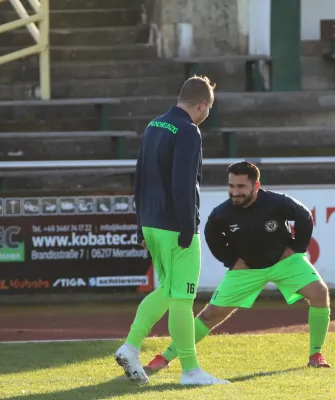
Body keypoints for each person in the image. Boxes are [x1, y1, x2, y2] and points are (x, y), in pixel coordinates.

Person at [143, 161, 332, 375]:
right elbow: (212, 238)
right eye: (231, 186)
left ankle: (316, 354)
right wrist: (231, 261)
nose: (235, 192)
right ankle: (164, 357)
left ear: (256, 186)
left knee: (319, 293)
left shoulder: (278, 202)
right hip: (246, 270)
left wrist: (297, 248)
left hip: (284, 263)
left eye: (241, 187)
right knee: (209, 315)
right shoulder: (221, 214)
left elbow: (305, 217)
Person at [115, 75, 229, 386]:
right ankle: (191, 371)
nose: (207, 116)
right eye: (208, 109)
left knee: (166, 290)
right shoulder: (189, 131)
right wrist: (188, 225)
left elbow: (138, 177)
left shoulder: (154, 125)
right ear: (202, 104)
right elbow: (183, 183)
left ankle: (131, 346)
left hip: (151, 222)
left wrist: (141, 222)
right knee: (182, 298)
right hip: (175, 225)